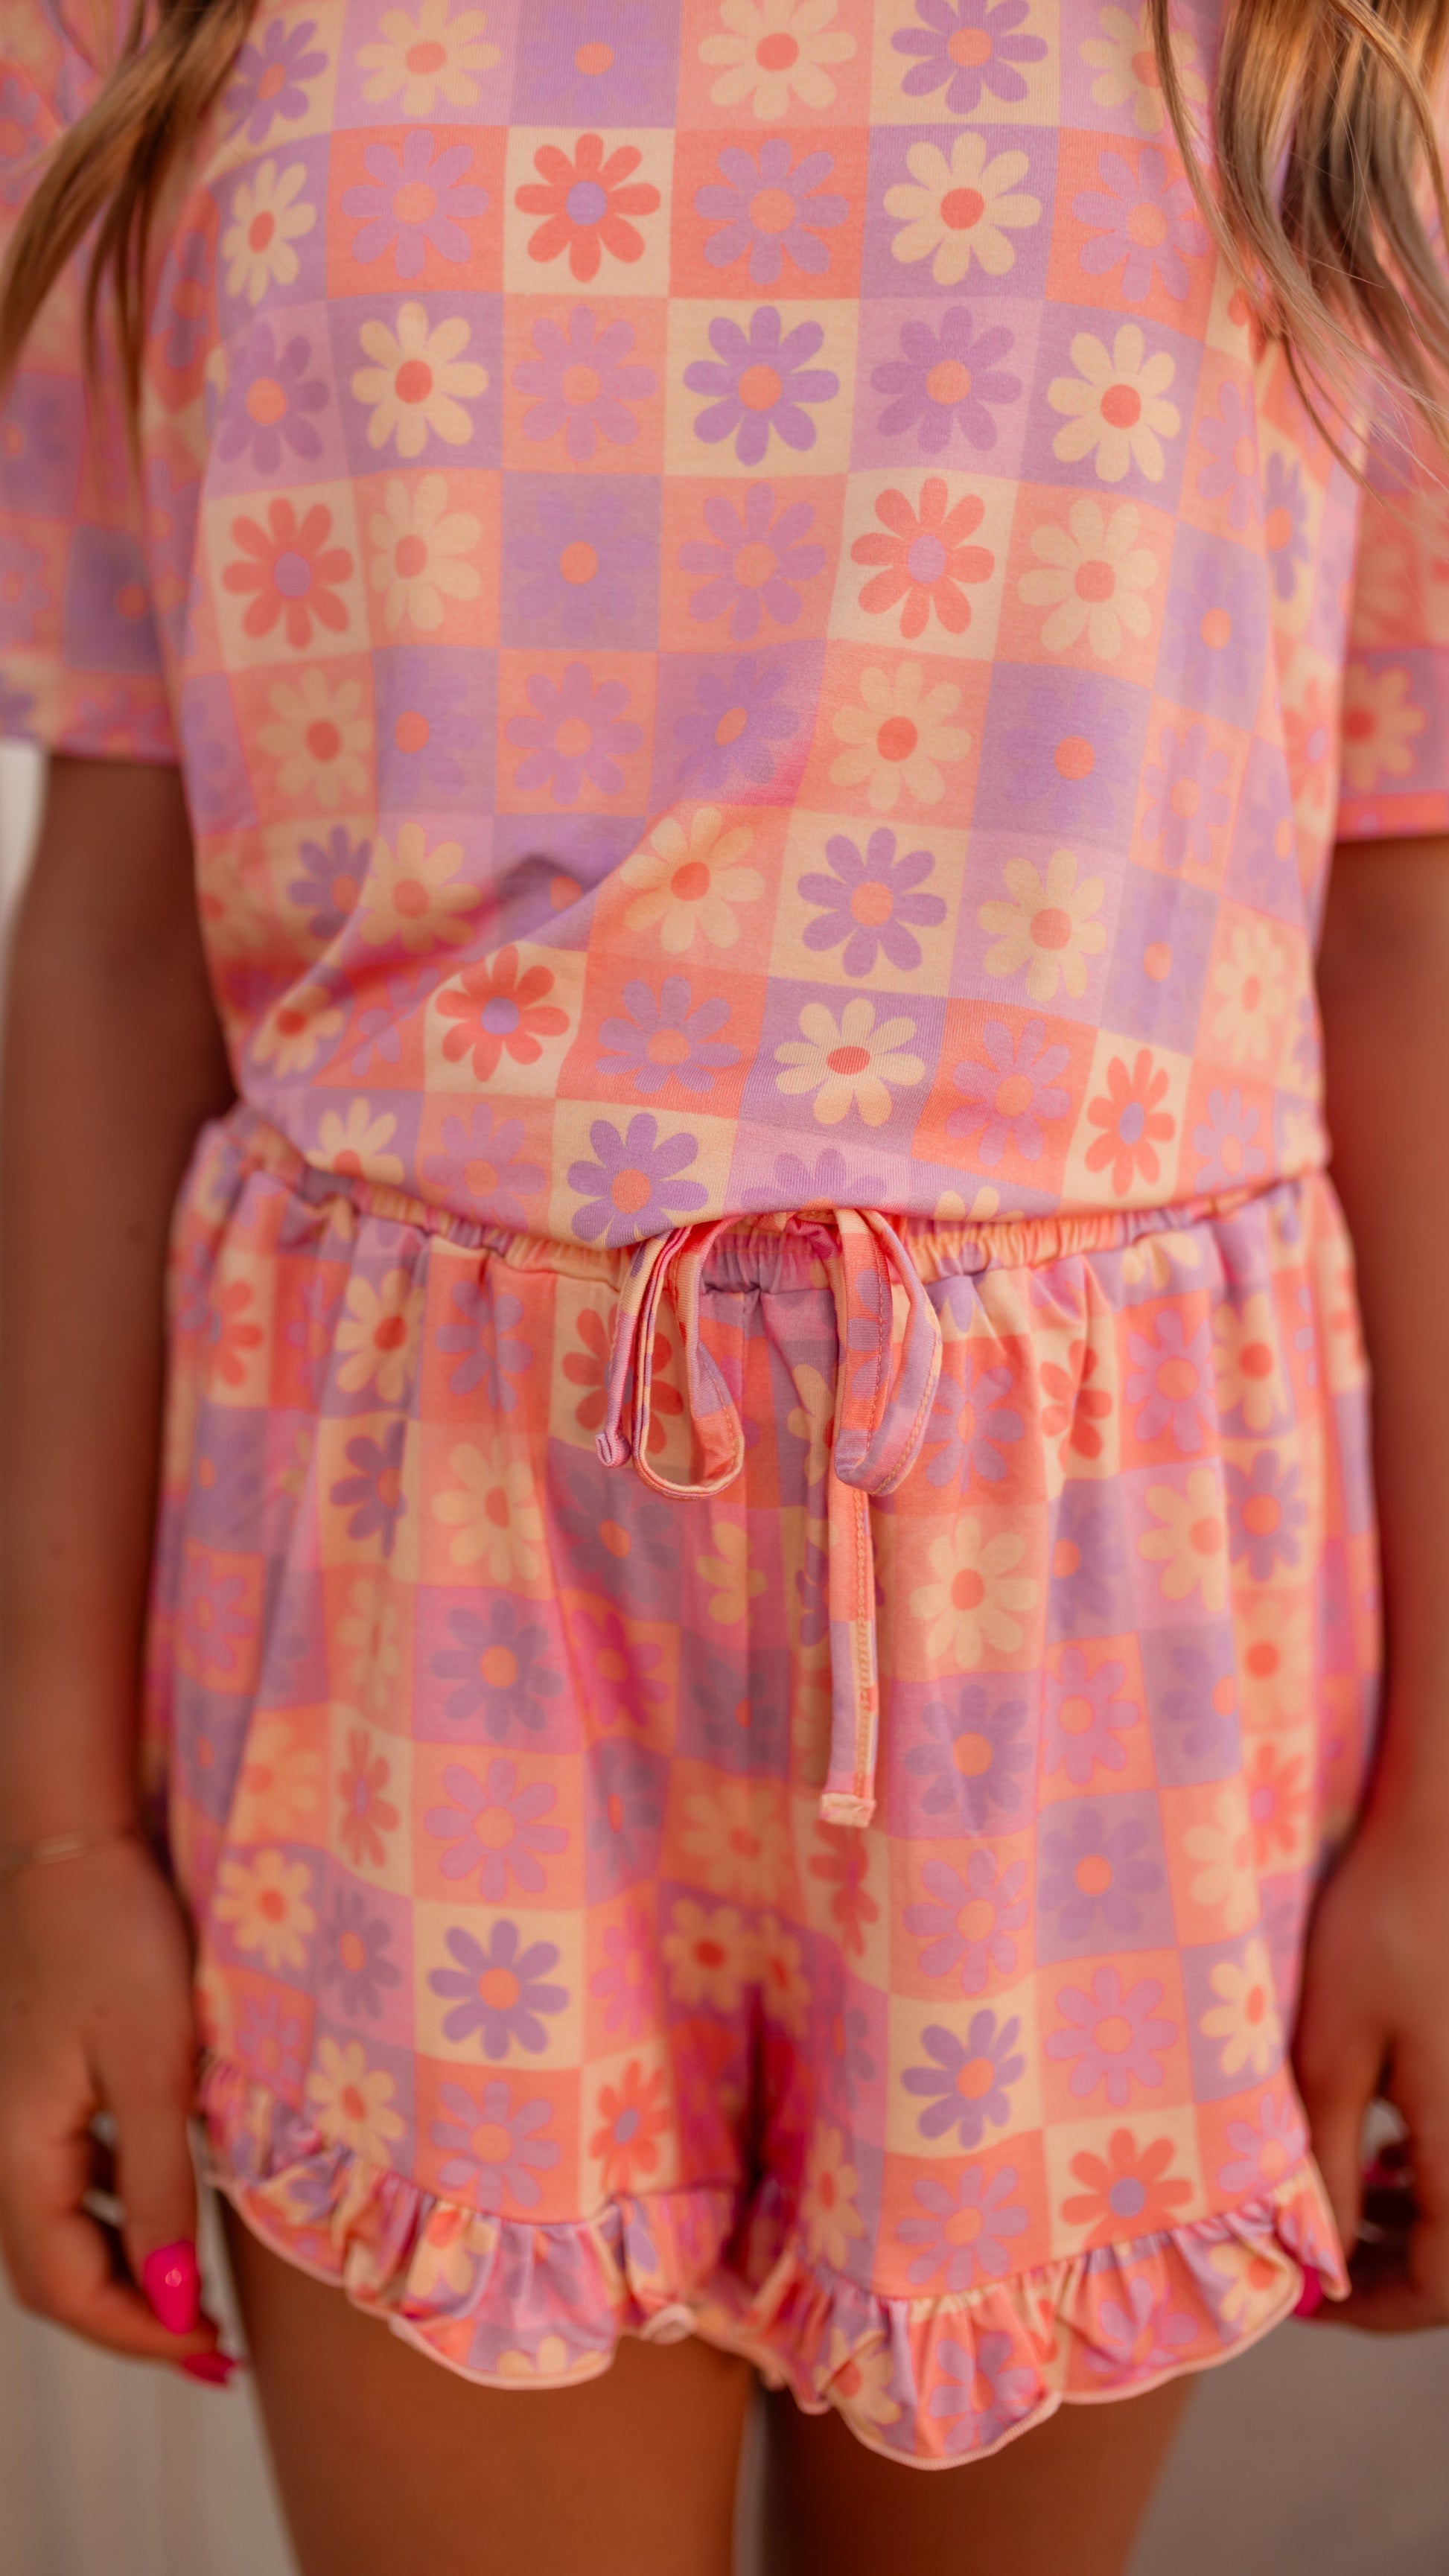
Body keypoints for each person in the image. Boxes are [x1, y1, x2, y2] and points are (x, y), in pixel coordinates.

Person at [1, 0, 1448, 2566]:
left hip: (1080, 1650)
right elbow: (121, 922)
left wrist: (1448, 1807)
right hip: (419, 1626)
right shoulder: (139, 30)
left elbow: (1404, 916)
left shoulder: (1348, 40)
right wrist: (48, 1843)